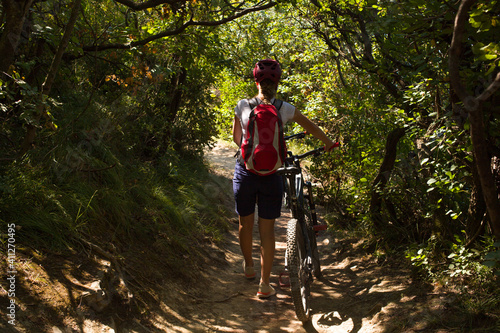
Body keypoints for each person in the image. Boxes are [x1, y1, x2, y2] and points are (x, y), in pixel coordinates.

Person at [232, 59, 336, 298]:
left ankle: (248, 266)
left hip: (246, 171)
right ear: (277, 82)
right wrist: (328, 143)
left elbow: (237, 138)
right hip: (272, 175)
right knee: (267, 231)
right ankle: (265, 284)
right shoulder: (285, 108)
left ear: (256, 81)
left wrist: (250, 154)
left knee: (245, 223)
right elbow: (311, 127)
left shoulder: (242, 105)